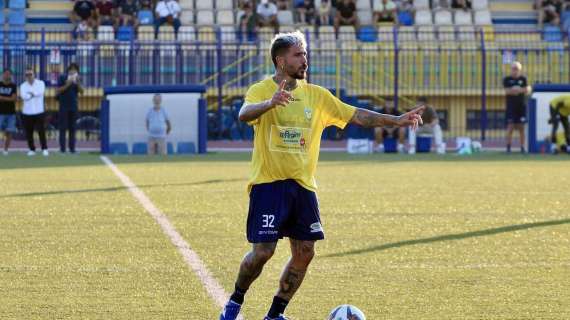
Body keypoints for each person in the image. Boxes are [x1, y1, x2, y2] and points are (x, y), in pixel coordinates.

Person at [219, 31, 424, 320]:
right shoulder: (261, 89)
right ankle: (234, 303)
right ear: (281, 61)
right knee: (263, 252)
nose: (305, 59)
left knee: (305, 251)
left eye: (305, 54)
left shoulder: (316, 96)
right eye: (298, 54)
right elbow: (244, 114)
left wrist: (396, 120)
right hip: (268, 186)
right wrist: (270, 103)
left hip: (302, 187)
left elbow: (356, 115)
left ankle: (275, 314)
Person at [20, 68, 48, 157]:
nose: (29, 76)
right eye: (27, 75)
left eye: (30, 74)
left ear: (34, 74)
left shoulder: (41, 83)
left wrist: (32, 93)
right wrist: (33, 94)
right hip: (27, 112)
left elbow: (40, 92)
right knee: (29, 132)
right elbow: (24, 96)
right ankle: (32, 149)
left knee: (41, 131)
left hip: (39, 111)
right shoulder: (23, 85)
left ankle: (44, 149)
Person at [503, 61, 531, 153]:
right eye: (513, 68)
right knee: (510, 126)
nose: (515, 71)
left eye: (517, 69)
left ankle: (522, 147)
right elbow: (507, 91)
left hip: (521, 107)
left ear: (520, 70)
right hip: (511, 107)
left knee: (521, 127)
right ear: (511, 69)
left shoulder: (523, 79)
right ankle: (508, 147)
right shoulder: (507, 79)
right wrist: (519, 90)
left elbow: (528, 90)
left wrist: (517, 90)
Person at [56, 63, 84, 154]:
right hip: (63, 106)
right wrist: (68, 84)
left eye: (75, 70)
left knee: (73, 128)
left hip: (73, 106)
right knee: (62, 128)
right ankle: (62, 149)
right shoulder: (62, 77)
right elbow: (58, 90)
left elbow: (82, 92)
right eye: (71, 69)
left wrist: (78, 83)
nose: (73, 71)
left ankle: (72, 148)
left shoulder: (78, 79)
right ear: (68, 70)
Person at [0, 69, 18, 156]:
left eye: (9, 74)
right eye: (5, 74)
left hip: (11, 113)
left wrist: (2, 98)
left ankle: (6, 150)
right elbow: (11, 98)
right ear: (3, 75)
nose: (7, 75)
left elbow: (14, 99)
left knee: (9, 132)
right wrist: (9, 98)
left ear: (11, 75)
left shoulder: (13, 86)